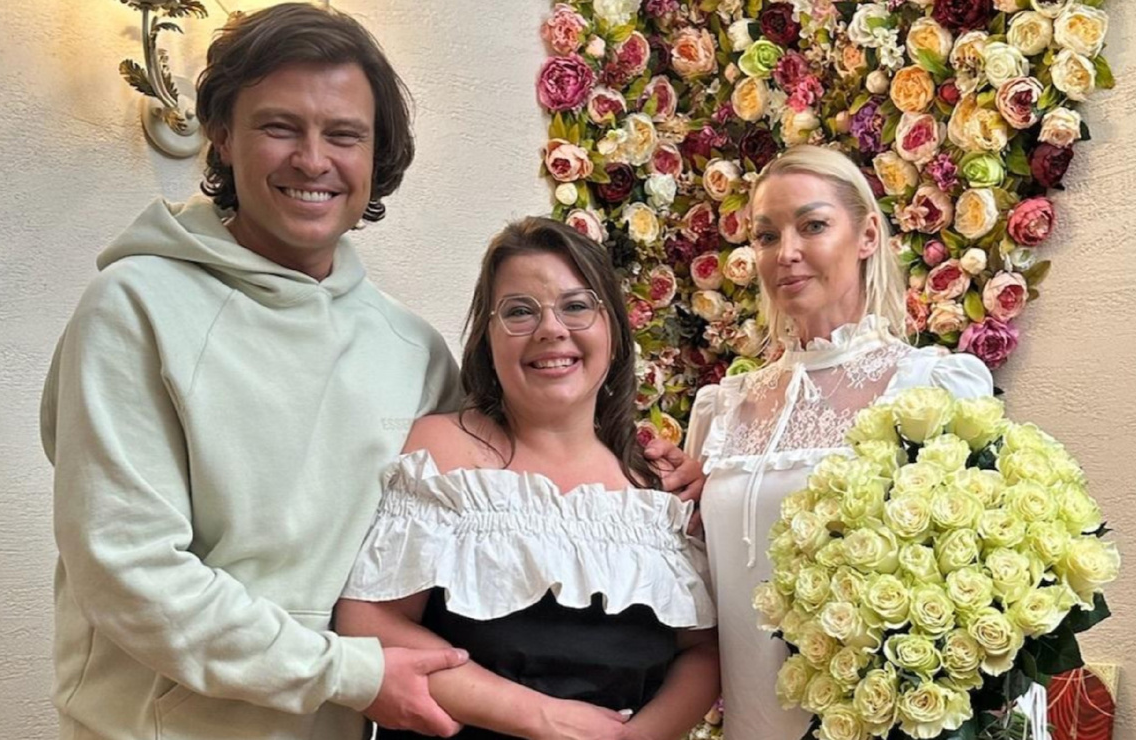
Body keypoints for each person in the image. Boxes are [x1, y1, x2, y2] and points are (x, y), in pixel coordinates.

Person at [39, 6, 702, 738]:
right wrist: (346, 672)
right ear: (222, 135)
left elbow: (519, 470)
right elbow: (127, 571)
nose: (312, 160)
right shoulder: (133, 309)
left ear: (378, 152)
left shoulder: (411, 351)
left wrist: (661, 470)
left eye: (344, 134)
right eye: (280, 127)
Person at [334, 217, 720, 740]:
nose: (551, 329)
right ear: (488, 340)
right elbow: (369, 624)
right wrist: (543, 719)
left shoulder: (658, 485)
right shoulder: (443, 453)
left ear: (613, 330)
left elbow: (701, 650)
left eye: (576, 306)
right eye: (519, 311)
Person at [684, 145, 995, 737]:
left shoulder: (929, 387)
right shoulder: (723, 408)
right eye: (767, 236)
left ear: (867, 235)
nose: (786, 252)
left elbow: (973, 583)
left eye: (813, 226)